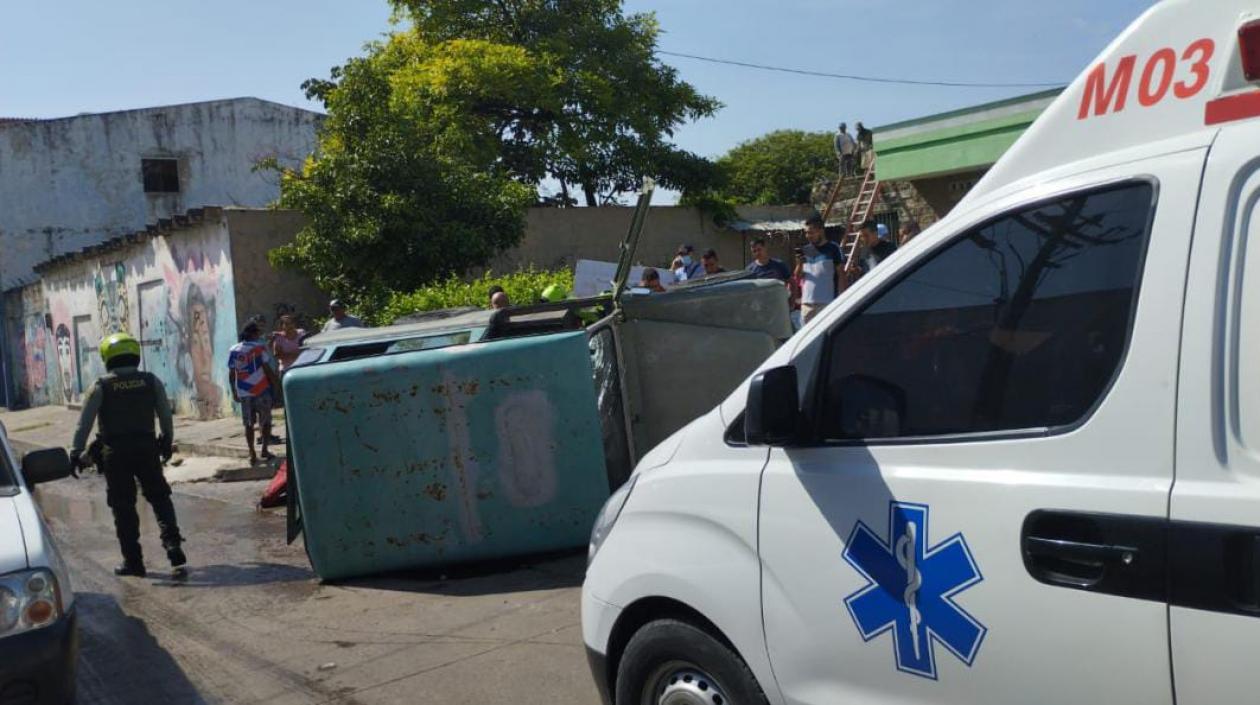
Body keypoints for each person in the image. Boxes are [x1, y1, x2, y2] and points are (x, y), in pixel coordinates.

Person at [69, 332, 185, 577]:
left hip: (116, 453)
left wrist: (76, 452)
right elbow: (165, 415)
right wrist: (166, 441)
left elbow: (84, 423)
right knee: (160, 497)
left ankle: (134, 561)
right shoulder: (151, 381)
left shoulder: (101, 386)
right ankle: (172, 543)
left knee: (123, 507)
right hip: (147, 448)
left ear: (107, 358)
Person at [229, 322, 282, 466]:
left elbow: (232, 373)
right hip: (261, 390)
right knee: (265, 422)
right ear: (254, 334)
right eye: (258, 333)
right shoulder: (259, 348)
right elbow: (266, 369)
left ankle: (252, 453)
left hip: (244, 392)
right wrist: (276, 385)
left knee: (248, 424)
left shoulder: (234, 349)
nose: (259, 335)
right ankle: (264, 449)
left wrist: (234, 391)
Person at [794, 214, 845, 324]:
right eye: (806, 233)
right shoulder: (805, 250)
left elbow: (841, 273)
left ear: (821, 231)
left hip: (827, 303)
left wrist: (841, 298)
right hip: (807, 303)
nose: (808, 236)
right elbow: (798, 276)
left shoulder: (833, 248)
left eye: (811, 232)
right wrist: (799, 264)